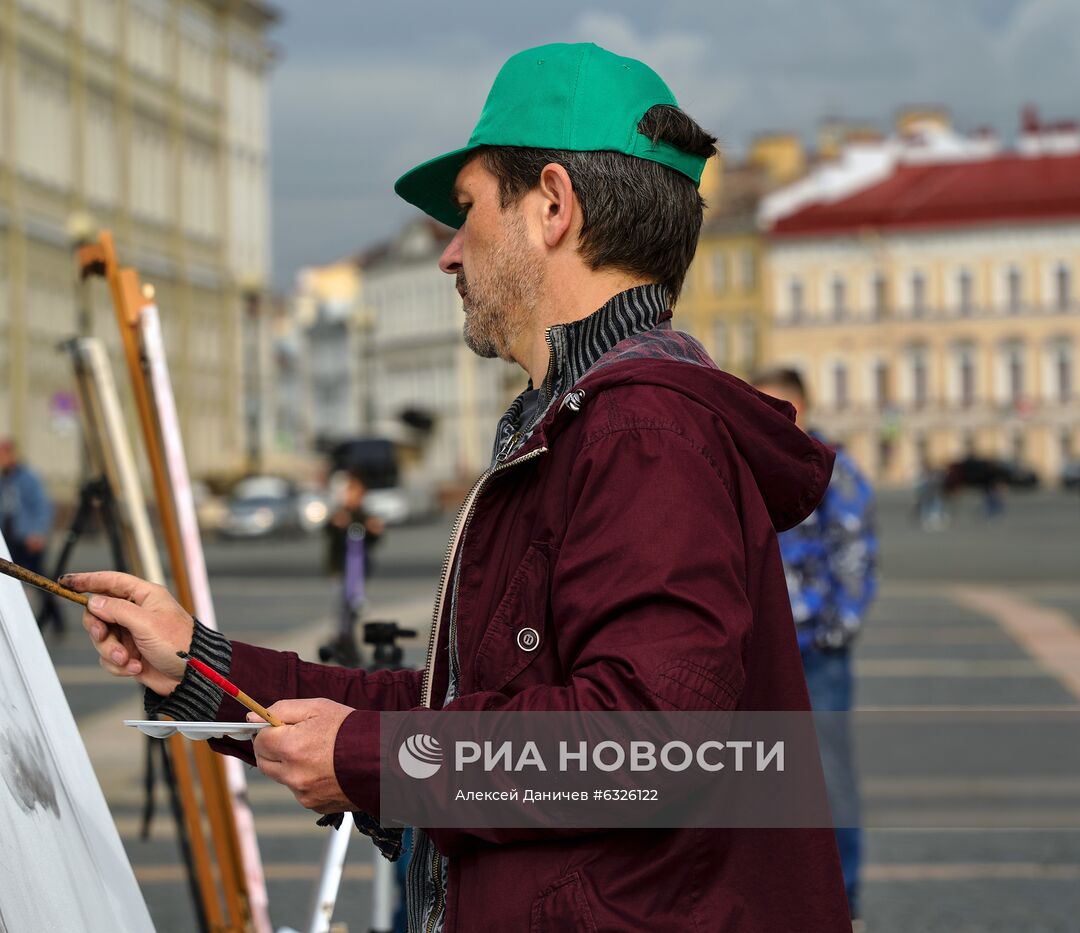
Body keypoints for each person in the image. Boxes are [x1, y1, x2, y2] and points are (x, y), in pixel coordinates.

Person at [67, 44, 852, 931]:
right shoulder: (586, 423)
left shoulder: (644, 433)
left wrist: (376, 760)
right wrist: (202, 667)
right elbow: (467, 712)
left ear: (552, 205)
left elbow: (649, 748)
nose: (448, 252)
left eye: (469, 208)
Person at [752, 367, 878, 921]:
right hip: (760, 648)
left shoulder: (832, 465)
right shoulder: (749, 466)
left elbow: (855, 547)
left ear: (804, 403)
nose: (775, 414)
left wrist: (838, 628)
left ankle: (844, 899)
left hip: (817, 649)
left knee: (829, 776)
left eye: (783, 403)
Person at [0, 437, 57, 634]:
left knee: (38, 577)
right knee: (16, 576)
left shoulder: (28, 478)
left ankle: (52, 617)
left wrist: (38, 532)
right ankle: (46, 617)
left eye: (1, 455)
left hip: (27, 537)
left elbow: (41, 506)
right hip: (10, 536)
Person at [320, 471, 384, 667]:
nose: (352, 496)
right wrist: (335, 523)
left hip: (358, 573)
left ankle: (346, 647)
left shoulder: (364, 515)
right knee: (341, 611)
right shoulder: (339, 513)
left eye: (356, 492)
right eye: (350, 491)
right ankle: (344, 647)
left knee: (353, 611)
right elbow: (327, 531)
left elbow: (373, 540)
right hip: (340, 571)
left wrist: (375, 530)